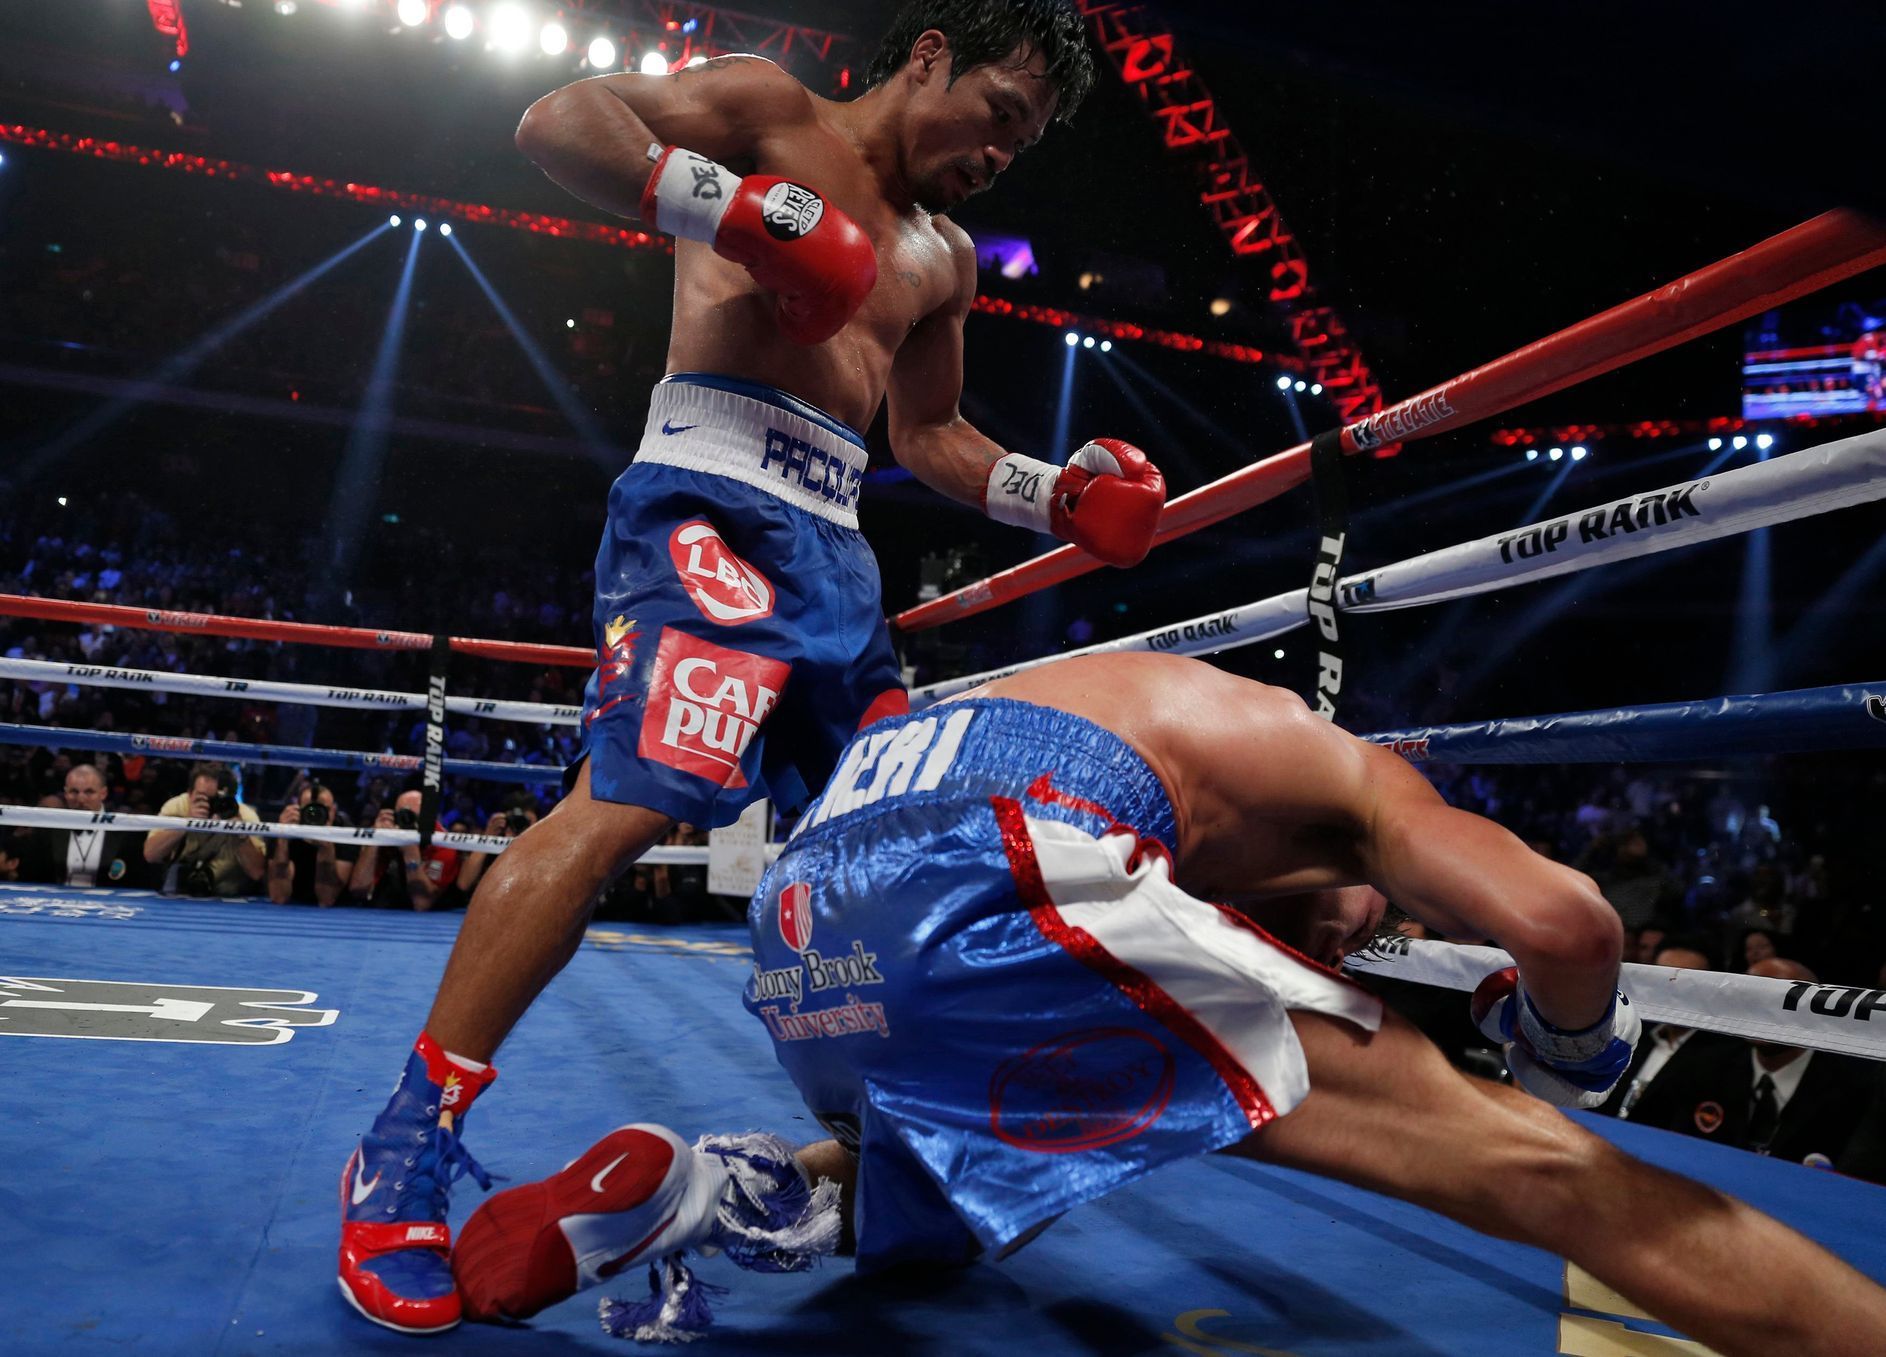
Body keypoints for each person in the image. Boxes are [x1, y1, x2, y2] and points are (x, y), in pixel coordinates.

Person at [339, 3, 1161, 1331]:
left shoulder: (945, 256)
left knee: (897, 861)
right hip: (708, 508)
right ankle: (403, 1142)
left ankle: (887, 1158)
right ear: (933, 54)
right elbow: (559, 121)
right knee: (625, 810)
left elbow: (932, 431)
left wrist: (1052, 496)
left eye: (1027, 141)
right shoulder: (770, 110)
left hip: (840, 557)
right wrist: (744, 215)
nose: (1002, 155)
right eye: (999, 116)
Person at [453, 654, 1886, 1355]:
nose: (1353, 943)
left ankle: (704, 1191)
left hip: (814, 914)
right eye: (1359, 926)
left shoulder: (1116, 698)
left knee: (940, 1216)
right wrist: (1564, 1049)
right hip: (997, 859)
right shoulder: (1343, 771)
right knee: (1549, 1171)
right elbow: (1564, 919)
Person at [12, 762, 146, 889]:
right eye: (74, 792)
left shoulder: (124, 832)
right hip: (55, 905)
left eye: (89, 792)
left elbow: (138, 882)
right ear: (65, 793)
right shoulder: (49, 830)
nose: (81, 799)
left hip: (108, 907)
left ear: (103, 793)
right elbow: (31, 877)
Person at [142, 761, 266, 898]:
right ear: (190, 794)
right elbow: (151, 854)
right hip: (179, 895)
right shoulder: (178, 806)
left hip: (228, 897)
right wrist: (186, 823)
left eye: (217, 799)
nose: (211, 804)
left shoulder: (245, 816)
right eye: (203, 797)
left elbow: (257, 872)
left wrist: (240, 833)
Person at [344, 788, 459, 912]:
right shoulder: (389, 834)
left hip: (426, 922)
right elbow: (358, 890)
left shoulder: (443, 844)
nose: (406, 821)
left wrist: (410, 852)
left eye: (412, 816)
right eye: (401, 814)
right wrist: (375, 840)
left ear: (428, 818)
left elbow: (421, 904)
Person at [267, 780, 355, 907]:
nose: (315, 814)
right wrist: (283, 838)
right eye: (310, 809)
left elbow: (326, 899)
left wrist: (326, 847)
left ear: (334, 811)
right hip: (292, 905)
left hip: (336, 910)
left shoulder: (345, 833)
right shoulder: (284, 828)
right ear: (298, 809)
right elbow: (278, 896)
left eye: (324, 809)